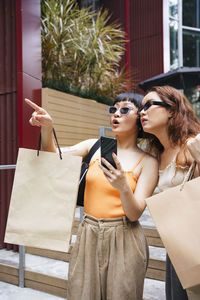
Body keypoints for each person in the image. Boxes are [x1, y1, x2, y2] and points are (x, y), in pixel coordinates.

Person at [25, 92, 158, 300]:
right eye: (113, 109)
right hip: (88, 232)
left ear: (140, 119)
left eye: (125, 109)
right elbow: (51, 158)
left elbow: (134, 214)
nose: (116, 114)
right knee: (81, 293)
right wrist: (47, 128)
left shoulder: (148, 162)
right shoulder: (93, 146)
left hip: (124, 237)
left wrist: (123, 186)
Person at [139, 85, 200, 300]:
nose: (141, 112)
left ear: (172, 110)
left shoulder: (194, 145)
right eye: (140, 107)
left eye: (149, 105)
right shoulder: (154, 155)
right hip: (176, 246)